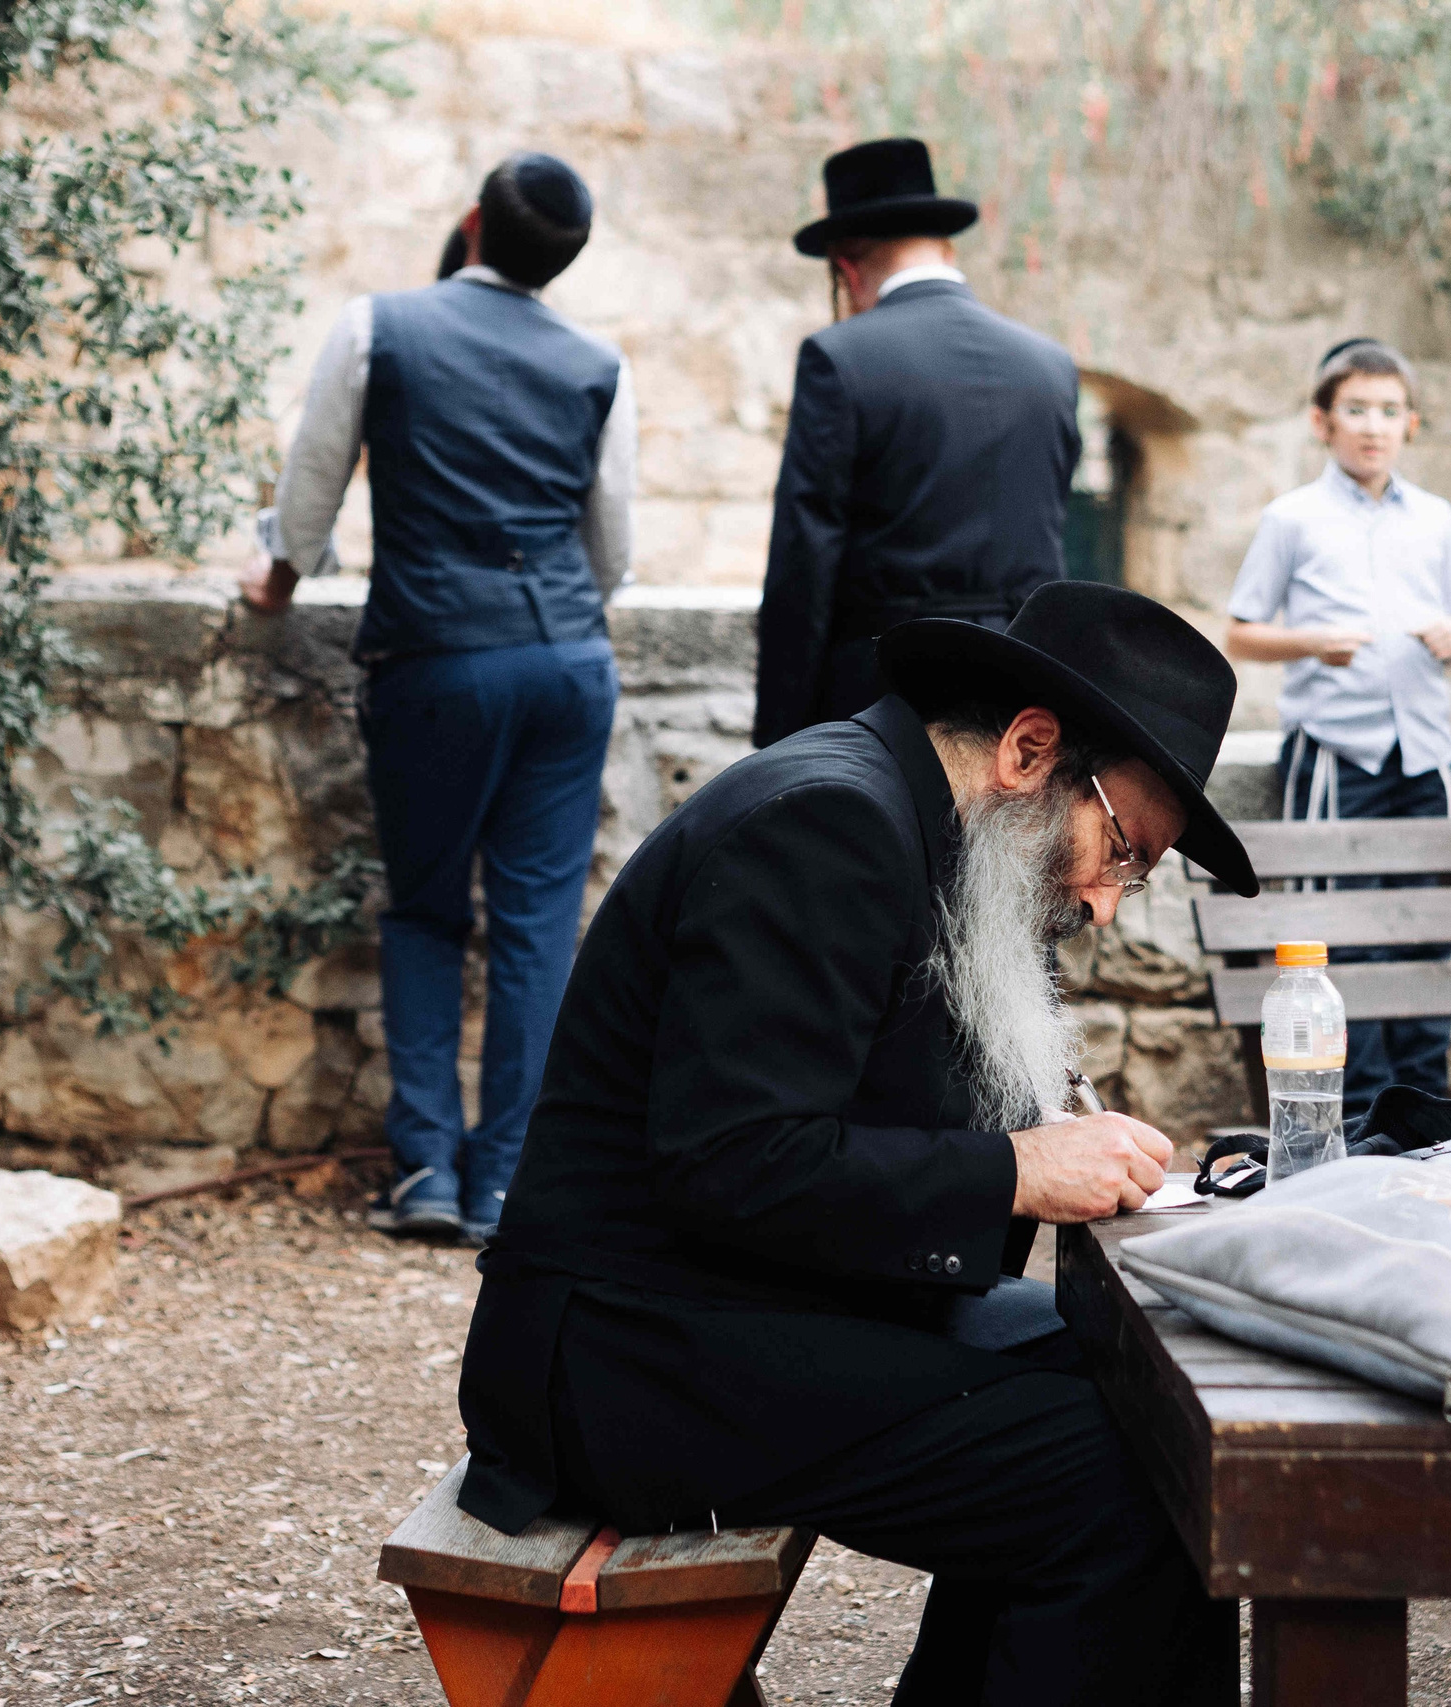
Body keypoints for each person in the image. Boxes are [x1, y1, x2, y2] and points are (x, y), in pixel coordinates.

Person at [455, 581, 1258, 1707]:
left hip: (739, 1305)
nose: (1106, 903)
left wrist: (1044, 1142)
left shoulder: (924, 826)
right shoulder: (825, 823)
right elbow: (732, 1162)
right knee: (1116, 1484)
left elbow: (858, 1110)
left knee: (1142, 1390)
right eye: (1122, 852)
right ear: (1030, 750)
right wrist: (1021, 1168)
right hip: (630, 1353)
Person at [239, 153, 638, 1246]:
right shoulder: (600, 363)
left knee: (424, 909)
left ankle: (424, 1173)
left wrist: (275, 582)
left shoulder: (381, 328)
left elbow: (311, 491)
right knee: (537, 930)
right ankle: (505, 1182)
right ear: (565, 258)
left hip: (436, 661)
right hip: (567, 664)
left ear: (471, 224)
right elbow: (615, 554)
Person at [1224, 337, 1451, 1123]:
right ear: (1322, 421)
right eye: (1356, 410)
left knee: (1428, 938)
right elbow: (1240, 632)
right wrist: (1313, 642)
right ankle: (1361, 1114)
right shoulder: (1291, 518)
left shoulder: (1436, 520)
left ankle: (1424, 1109)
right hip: (1336, 757)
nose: (1374, 427)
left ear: (1411, 423)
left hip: (1424, 758)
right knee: (1340, 940)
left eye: (1389, 411)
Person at [752, 136, 1081, 748]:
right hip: (1019, 694)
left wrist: (780, 733)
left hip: (881, 697)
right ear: (944, 247)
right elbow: (1046, 531)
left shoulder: (840, 358)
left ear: (847, 269)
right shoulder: (1051, 365)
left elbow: (806, 556)